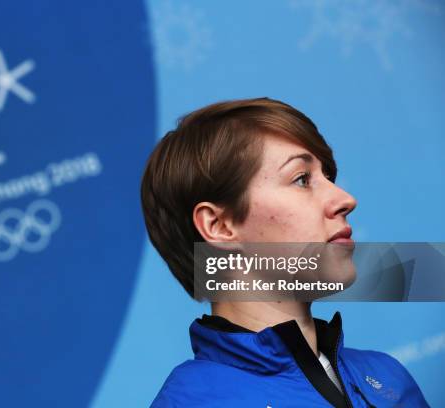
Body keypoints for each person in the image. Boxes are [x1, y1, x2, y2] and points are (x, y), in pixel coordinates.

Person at [140, 98, 429, 407]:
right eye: (301, 179)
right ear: (220, 225)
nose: (345, 199)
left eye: (328, 176)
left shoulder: (388, 378)